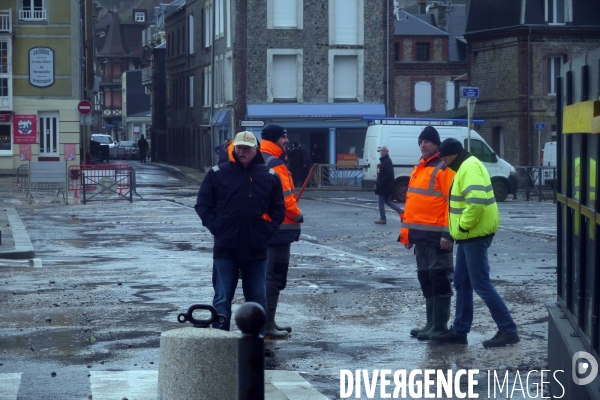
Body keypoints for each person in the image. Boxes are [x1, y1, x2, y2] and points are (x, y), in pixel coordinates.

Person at [431, 138, 520, 348]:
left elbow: (476, 203)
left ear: (453, 154)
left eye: (444, 158)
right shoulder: (465, 165)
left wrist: (461, 227)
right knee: (462, 282)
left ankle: (508, 329)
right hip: (469, 235)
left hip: (473, 234)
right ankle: (459, 331)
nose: (443, 163)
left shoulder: (468, 167)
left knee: (480, 283)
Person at [195, 131, 285, 332]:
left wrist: (265, 231)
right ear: (233, 148)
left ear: (256, 150)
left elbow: (278, 209)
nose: (242, 151)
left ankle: (255, 342)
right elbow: (203, 205)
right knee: (222, 298)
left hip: (256, 249)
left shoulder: (268, 176)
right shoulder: (218, 173)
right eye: (239, 147)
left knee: (257, 300)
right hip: (226, 248)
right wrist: (217, 227)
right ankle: (220, 343)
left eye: (246, 147)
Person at [399, 127, 455, 340]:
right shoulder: (420, 168)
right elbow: (412, 205)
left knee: (439, 278)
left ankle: (439, 325)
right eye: (421, 141)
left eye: (428, 142)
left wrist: (448, 233)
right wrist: (407, 235)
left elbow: (453, 204)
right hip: (421, 236)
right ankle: (431, 323)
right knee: (426, 278)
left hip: (437, 236)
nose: (423, 145)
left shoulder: (443, 168)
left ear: (437, 145)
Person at [259, 125, 304, 339]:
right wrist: (297, 216)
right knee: (275, 276)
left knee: (265, 276)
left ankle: (267, 322)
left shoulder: (261, 156)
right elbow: (286, 197)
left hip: (264, 227)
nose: (287, 140)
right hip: (279, 228)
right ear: (276, 138)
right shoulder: (275, 163)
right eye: (284, 137)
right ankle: (267, 325)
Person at [374, 146, 402, 224]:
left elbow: (387, 175)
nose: (382, 152)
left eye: (383, 151)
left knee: (381, 201)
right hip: (387, 185)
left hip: (385, 186)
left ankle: (383, 218)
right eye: (381, 151)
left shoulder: (387, 161)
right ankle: (400, 210)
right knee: (387, 200)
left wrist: (379, 183)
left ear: (387, 152)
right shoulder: (385, 161)